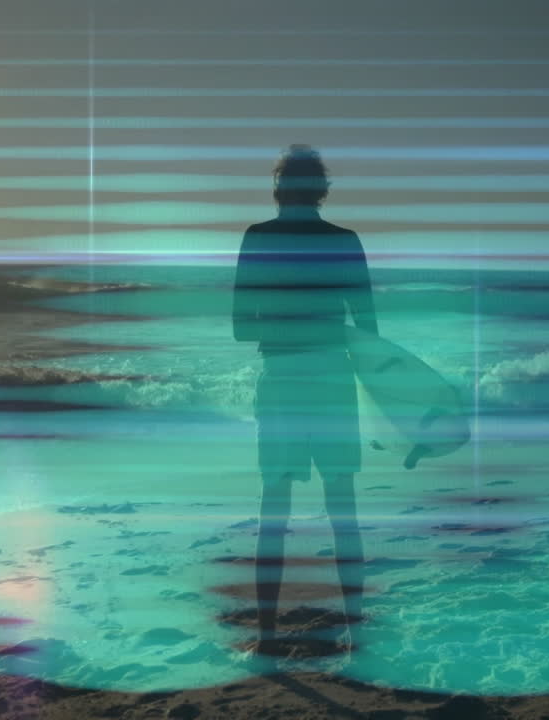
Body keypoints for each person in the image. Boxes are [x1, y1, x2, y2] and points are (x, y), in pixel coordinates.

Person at [232, 145, 377, 658]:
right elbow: (369, 331)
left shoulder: (257, 239)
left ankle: (268, 638)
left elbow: (238, 327)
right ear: (322, 190)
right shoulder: (346, 242)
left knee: (274, 510)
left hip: (282, 381)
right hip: (334, 382)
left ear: (277, 190)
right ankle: (357, 633)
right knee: (344, 510)